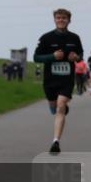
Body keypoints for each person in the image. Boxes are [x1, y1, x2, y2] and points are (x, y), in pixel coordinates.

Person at [33, 9, 84, 154]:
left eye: (64, 18)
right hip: (50, 80)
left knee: (61, 106)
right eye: (58, 18)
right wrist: (52, 56)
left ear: (69, 20)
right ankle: (56, 107)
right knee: (54, 108)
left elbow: (80, 55)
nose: (61, 20)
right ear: (54, 20)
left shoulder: (75, 38)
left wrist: (76, 58)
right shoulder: (46, 38)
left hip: (67, 80)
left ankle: (56, 141)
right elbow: (36, 57)